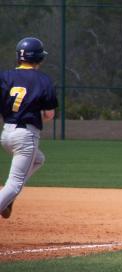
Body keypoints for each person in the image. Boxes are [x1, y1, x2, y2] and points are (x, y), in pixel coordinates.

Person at [0, 37, 58, 219]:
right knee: (14, 184)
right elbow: (49, 114)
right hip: (25, 136)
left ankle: (8, 199)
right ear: (39, 58)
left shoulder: (5, 77)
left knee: (38, 159)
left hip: (6, 134)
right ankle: (8, 197)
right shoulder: (43, 80)